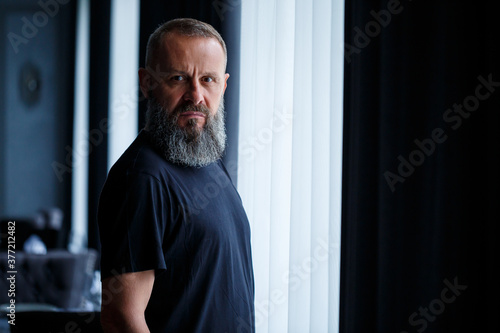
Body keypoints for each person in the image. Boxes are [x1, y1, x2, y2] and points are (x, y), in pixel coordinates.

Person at [97, 18, 255, 333]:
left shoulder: (207, 160)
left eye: (208, 79)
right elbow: (121, 319)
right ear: (147, 83)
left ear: (223, 86)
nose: (195, 95)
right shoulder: (142, 179)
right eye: (179, 77)